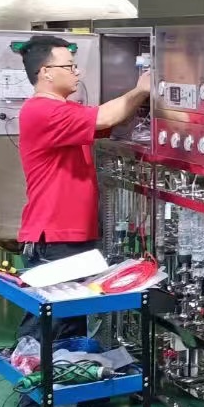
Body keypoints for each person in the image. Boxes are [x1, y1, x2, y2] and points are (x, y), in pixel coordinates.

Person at [16, 36, 149, 338]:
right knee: (50, 328)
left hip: (68, 235)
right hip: (56, 237)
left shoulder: (64, 110)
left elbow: (109, 121)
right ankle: (34, 367)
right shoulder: (43, 111)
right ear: (46, 72)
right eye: (69, 66)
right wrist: (142, 88)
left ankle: (61, 364)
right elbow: (106, 115)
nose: (77, 72)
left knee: (69, 326)